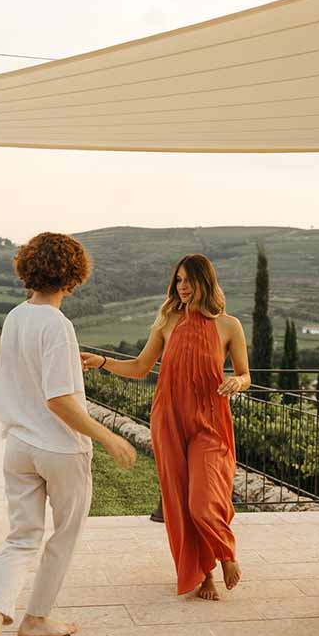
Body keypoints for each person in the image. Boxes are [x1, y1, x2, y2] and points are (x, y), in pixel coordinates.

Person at [0, 232, 136, 636]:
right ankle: (36, 618)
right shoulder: (58, 325)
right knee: (65, 534)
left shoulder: (15, 317)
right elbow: (60, 400)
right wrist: (109, 437)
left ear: (28, 268)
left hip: (19, 445)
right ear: (73, 275)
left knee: (22, 537)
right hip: (60, 449)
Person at [83, 254, 249, 600]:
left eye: (189, 280)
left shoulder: (229, 326)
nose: (182, 287)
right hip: (168, 421)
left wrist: (237, 381)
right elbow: (140, 367)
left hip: (210, 424)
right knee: (179, 503)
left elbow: (245, 374)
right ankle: (205, 576)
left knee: (203, 501)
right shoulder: (167, 322)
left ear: (205, 281)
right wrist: (102, 361)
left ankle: (225, 552)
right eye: (178, 280)